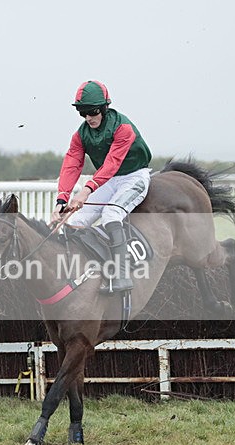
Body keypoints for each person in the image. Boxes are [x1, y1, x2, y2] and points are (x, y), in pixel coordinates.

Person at [50, 80, 153, 293]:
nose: (88, 117)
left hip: (134, 176)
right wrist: (62, 200)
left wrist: (85, 191)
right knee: (75, 220)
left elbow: (112, 163)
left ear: (105, 108)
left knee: (111, 215)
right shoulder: (80, 135)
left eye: (93, 111)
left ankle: (121, 276)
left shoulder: (123, 127)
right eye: (83, 113)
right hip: (108, 180)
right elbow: (72, 163)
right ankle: (80, 271)